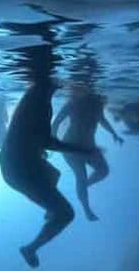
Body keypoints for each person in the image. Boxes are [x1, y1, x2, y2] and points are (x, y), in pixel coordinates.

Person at [0, 78, 95, 268]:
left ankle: (50, 208)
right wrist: (82, 150)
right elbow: (47, 141)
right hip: (21, 169)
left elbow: (31, 135)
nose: (60, 85)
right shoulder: (40, 101)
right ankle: (31, 248)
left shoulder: (35, 98)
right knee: (66, 214)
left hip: (18, 164)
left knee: (54, 174)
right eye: (55, 82)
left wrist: (34, 147)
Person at [51, 88, 123, 220]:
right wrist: (54, 142)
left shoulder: (97, 103)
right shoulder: (73, 103)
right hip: (71, 147)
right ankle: (87, 210)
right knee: (81, 176)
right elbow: (56, 122)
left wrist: (114, 134)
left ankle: (84, 186)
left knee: (103, 171)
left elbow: (102, 120)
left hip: (89, 146)